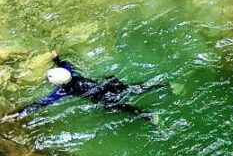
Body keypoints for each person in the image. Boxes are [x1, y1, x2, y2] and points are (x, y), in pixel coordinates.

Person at [2, 52, 161, 123]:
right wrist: (56, 57)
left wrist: (18, 115)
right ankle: (162, 86)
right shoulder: (70, 72)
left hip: (103, 97)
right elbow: (64, 64)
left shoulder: (64, 90)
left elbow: (41, 103)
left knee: (124, 107)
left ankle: (147, 116)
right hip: (108, 85)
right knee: (135, 89)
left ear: (58, 84)